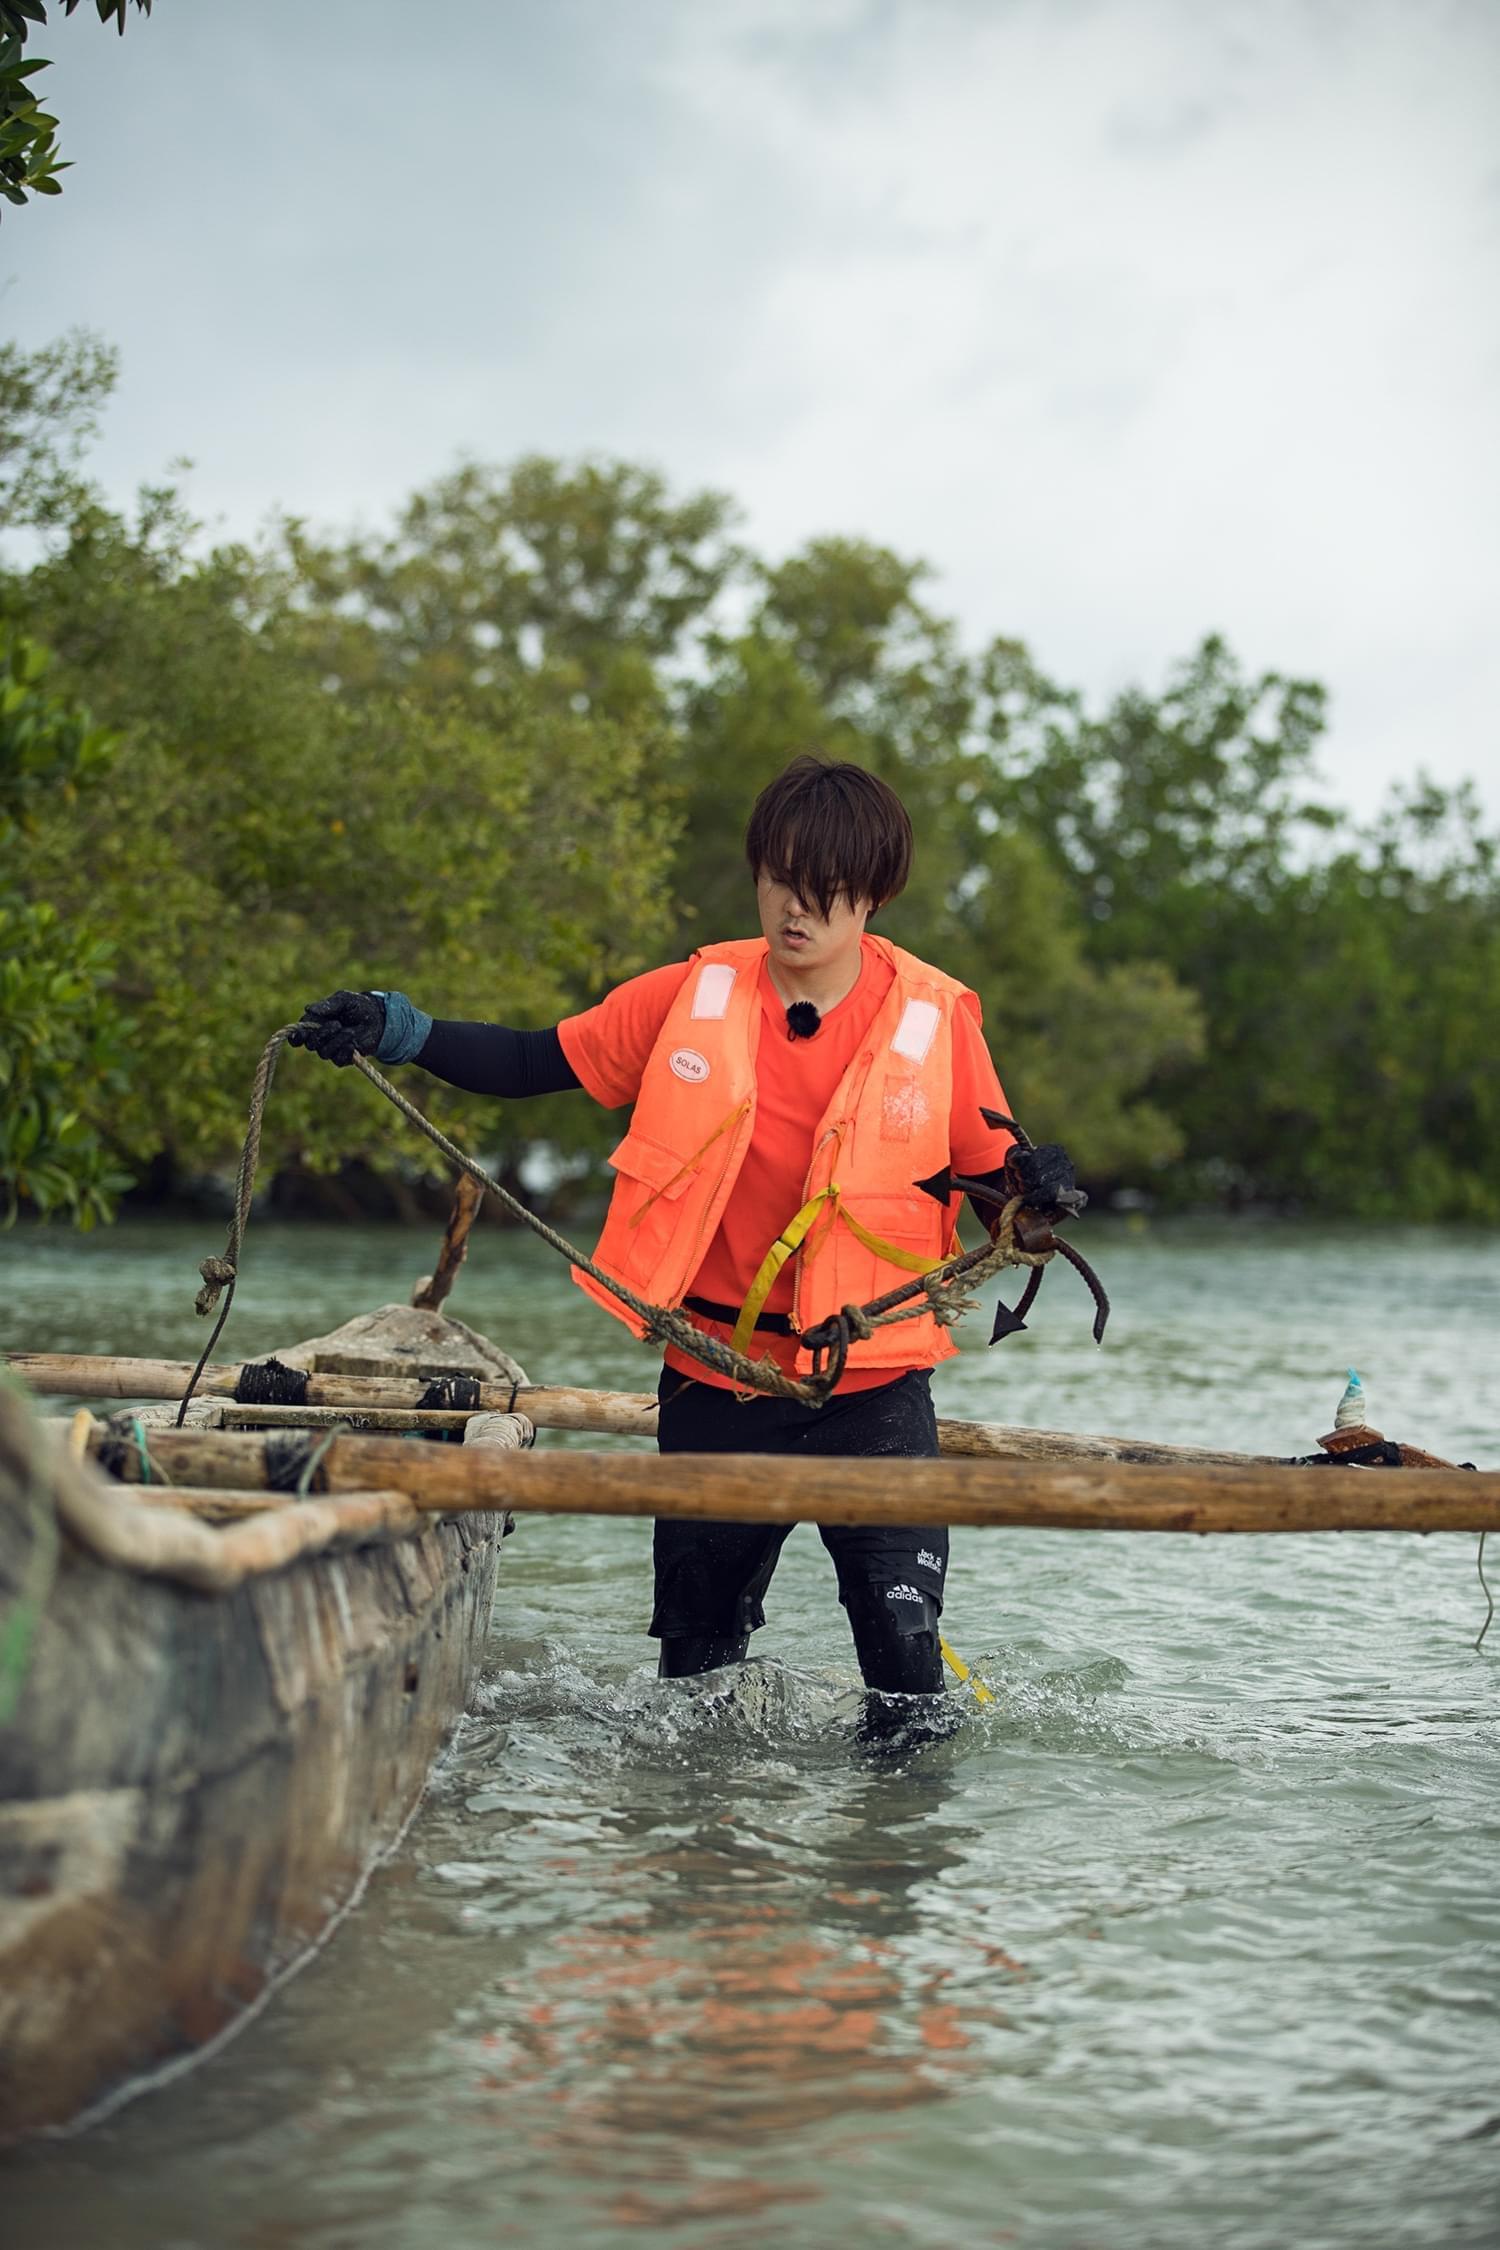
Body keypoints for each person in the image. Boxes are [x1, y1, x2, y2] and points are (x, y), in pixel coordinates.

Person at [290, 755, 1072, 1735]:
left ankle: (887, 1869)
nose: (797, 911)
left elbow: (1000, 1181)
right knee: (694, 1685)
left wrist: (1038, 1192)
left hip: (870, 1390)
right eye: (780, 881)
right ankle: (698, 1876)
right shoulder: (688, 995)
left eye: (824, 893)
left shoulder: (936, 1018)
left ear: (872, 895)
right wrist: (398, 1029)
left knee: (908, 1684)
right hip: (715, 1380)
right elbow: (538, 1058)